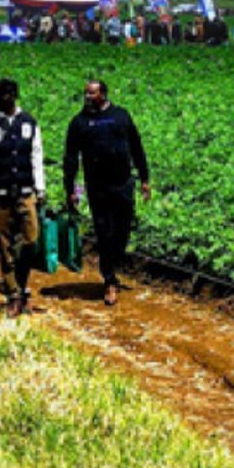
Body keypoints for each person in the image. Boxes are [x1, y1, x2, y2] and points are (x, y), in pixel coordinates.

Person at [63, 80, 151, 306]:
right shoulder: (79, 123)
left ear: (102, 94)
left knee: (122, 231)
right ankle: (109, 280)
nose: (87, 97)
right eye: (86, 93)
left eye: (91, 93)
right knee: (104, 232)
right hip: (97, 187)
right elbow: (71, 158)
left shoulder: (121, 116)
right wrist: (70, 188)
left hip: (123, 184)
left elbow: (136, 146)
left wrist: (144, 178)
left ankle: (114, 263)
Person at [0, 78, 45, 318]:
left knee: (31, 240)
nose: (5, 100)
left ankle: (21, 283)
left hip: (26, 192)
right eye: (1, 96)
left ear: (15, 96)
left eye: (8, 95)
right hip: (1, 195)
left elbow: (36, 156)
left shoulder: (29, 123)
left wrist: (40, 189)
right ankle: (14, 294)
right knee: (4, 246)